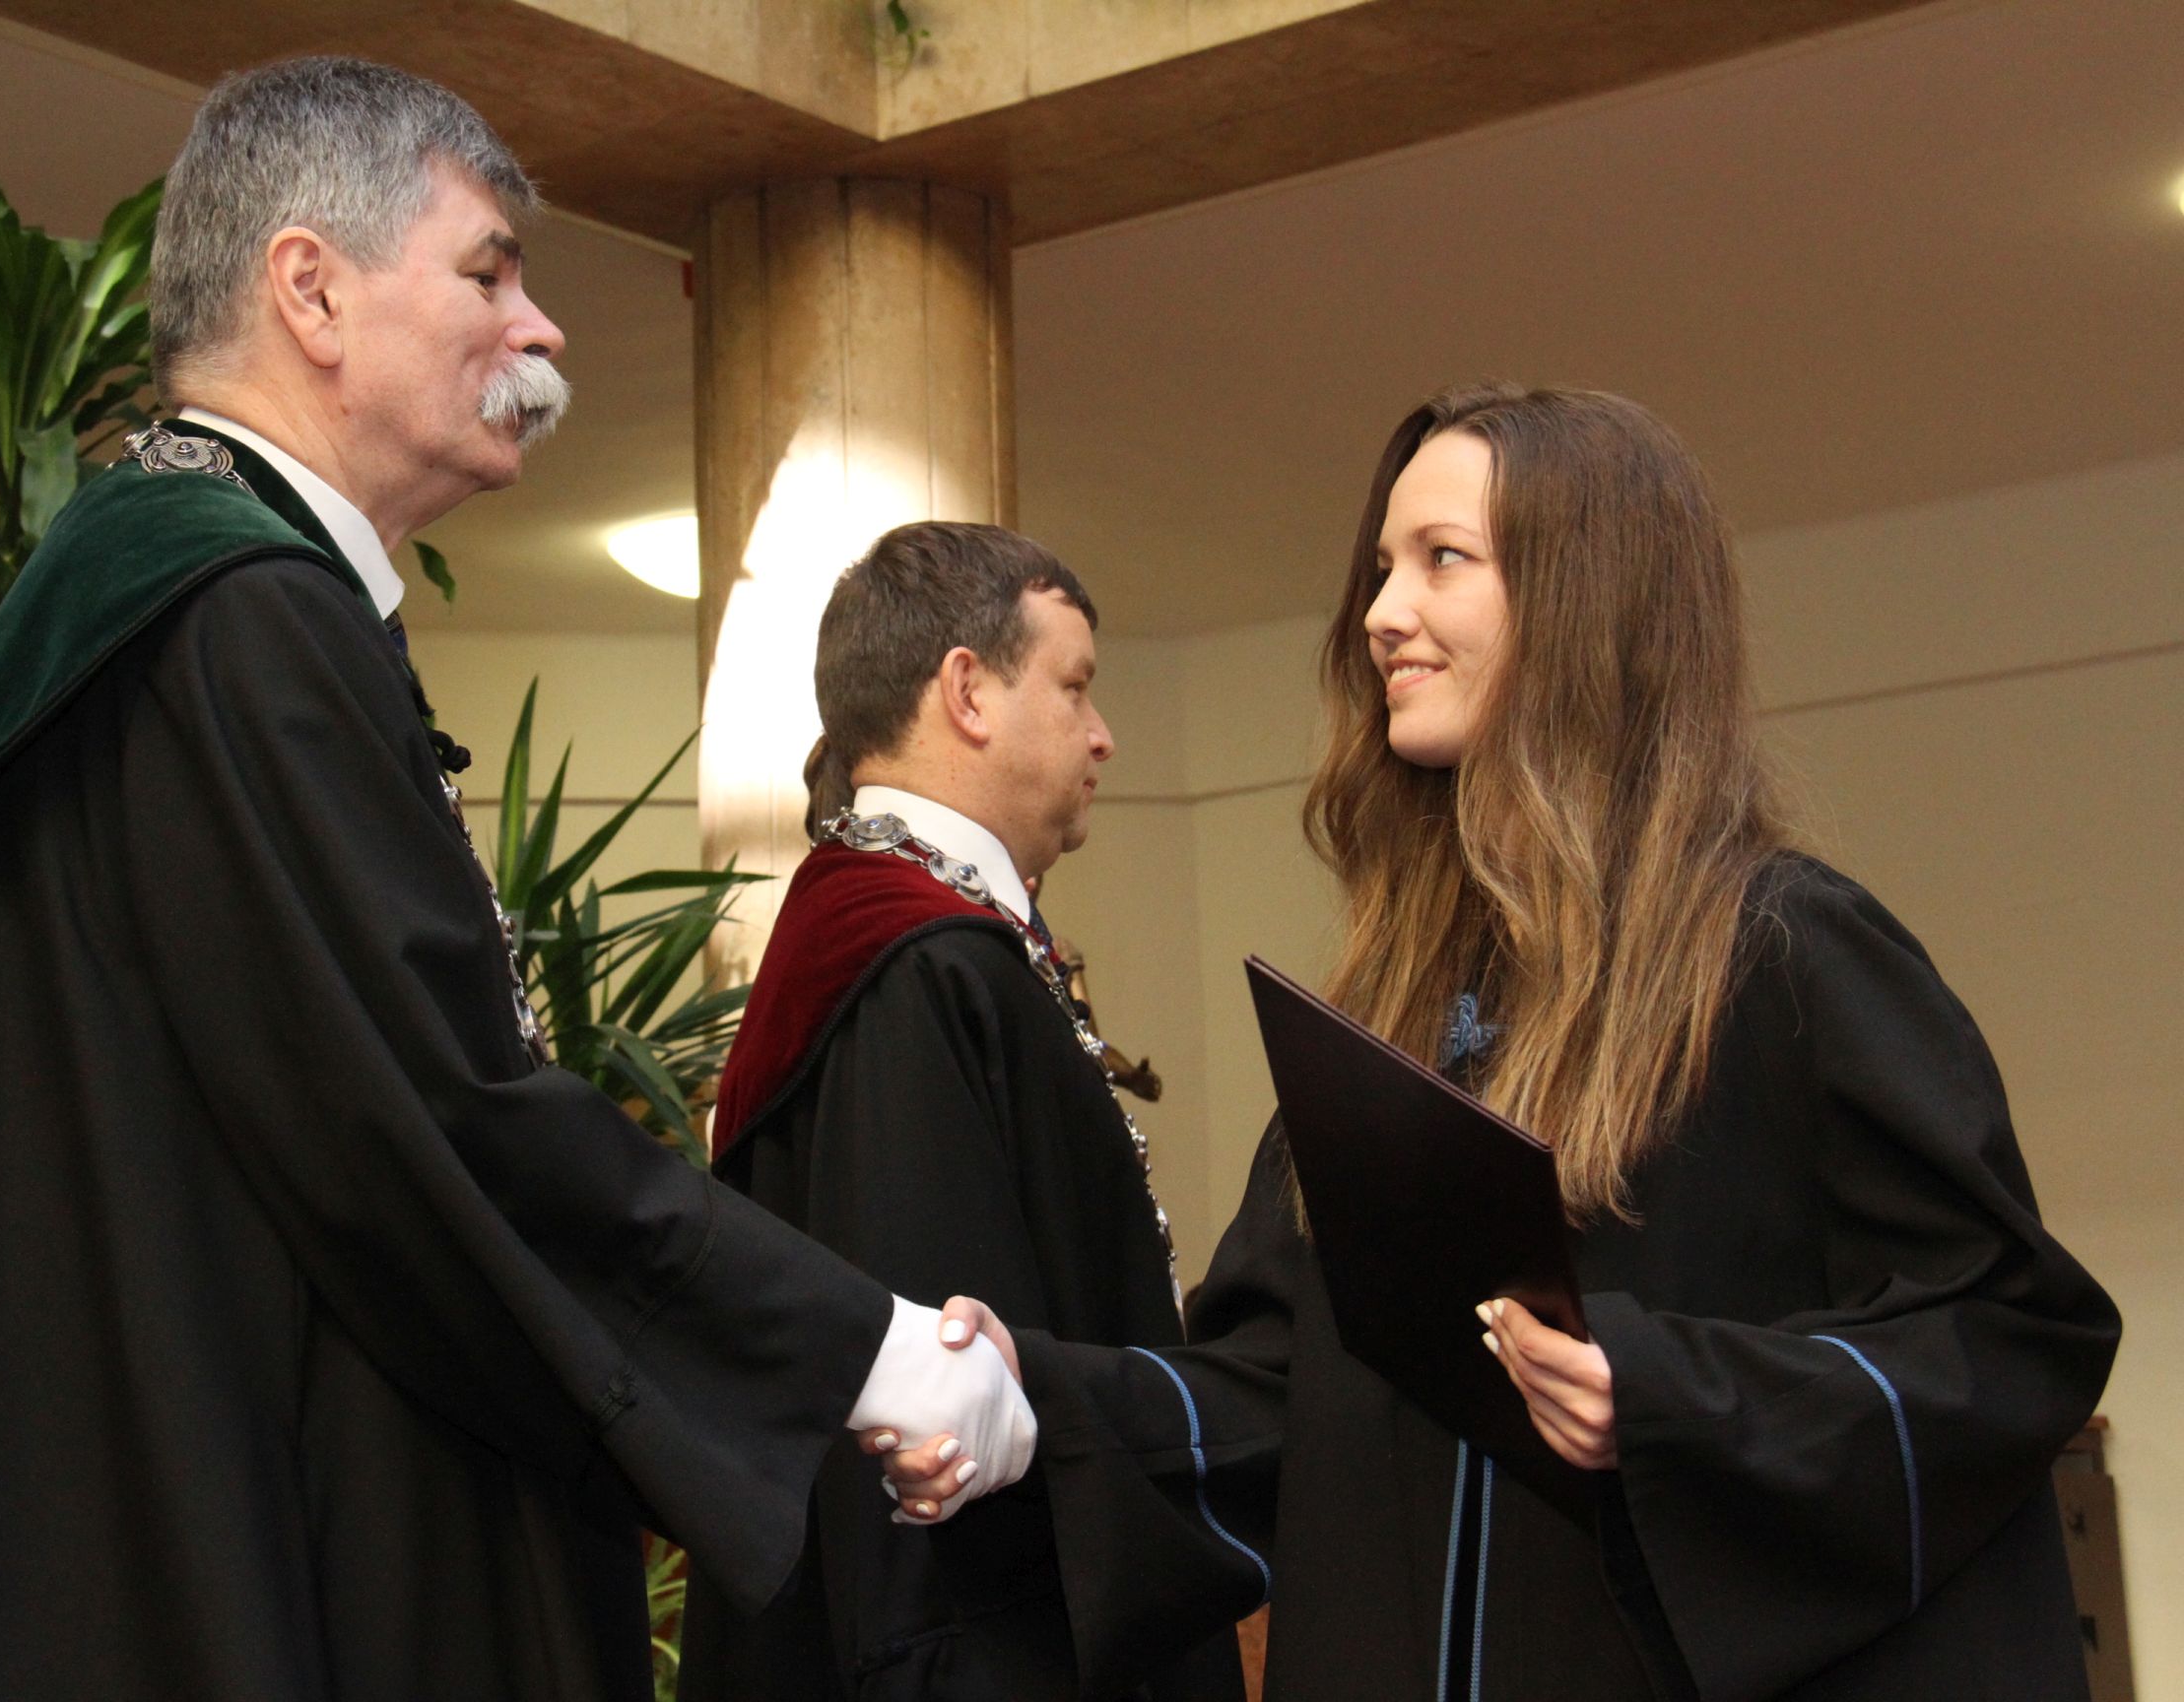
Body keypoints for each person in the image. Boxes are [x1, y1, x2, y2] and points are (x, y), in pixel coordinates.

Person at [0, 58, 1030, 1702]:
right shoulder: (237, 617)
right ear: (311, 290)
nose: (541, 328)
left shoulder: (164, 593)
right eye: (488, 271)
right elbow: (435, 1119)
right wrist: (872, 1356)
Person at [889, 384, 2122, 1701]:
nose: (1381, 613)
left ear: (1585, 605)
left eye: (1442, 560)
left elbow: (2007, 1337)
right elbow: (1275, 1391)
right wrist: (1037, 1405)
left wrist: (1667, 1393)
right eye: (1382, 568)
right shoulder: (1396, 1005)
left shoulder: (1781, 953)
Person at [677, 524, 1243, 1702]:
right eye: (1075, 686)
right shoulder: (917, 966)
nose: (1103, 734)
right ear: (968, 691)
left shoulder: (897, 942)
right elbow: (940, 1426)